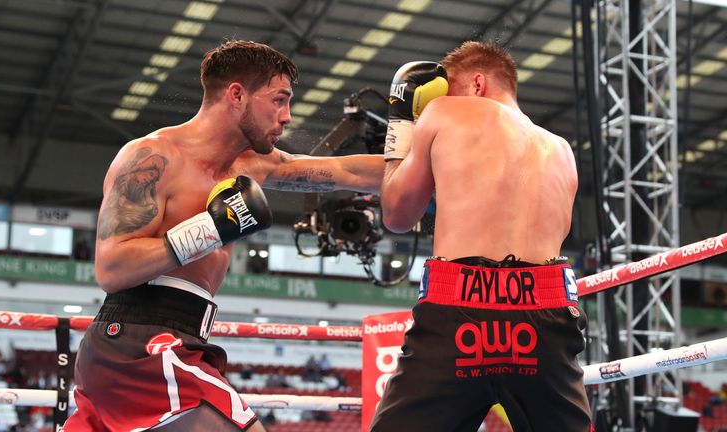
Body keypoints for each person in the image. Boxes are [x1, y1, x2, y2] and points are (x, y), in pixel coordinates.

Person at [63, 39, 383, 432]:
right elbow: (111, 268)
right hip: (139, 344)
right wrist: (209, 230)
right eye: (279, 100)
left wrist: (429, 152)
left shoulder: (250, 164)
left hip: (178, 338)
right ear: (237, 95)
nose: (286, 117)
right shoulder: (153, 157)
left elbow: (346, 172)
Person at [370, 41, 591, 431]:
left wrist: (401, 124)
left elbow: (397, 214)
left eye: (450, 88)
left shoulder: (444, 110)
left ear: (477, 83)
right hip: (548, 312)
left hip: (460, 308)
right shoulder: (561, 150)